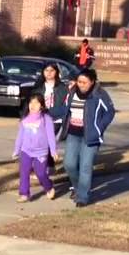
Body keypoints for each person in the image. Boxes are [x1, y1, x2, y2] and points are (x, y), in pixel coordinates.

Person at [49, 68, 116, 208]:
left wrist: (99, 128)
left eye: (85, 82)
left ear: (92, 82)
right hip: (73, 133)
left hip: (90, 136)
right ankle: (77, 187)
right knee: (69, 164)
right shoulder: (72, 92)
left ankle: (83, 197)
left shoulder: (99, 94)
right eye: (79, 81)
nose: (81, 85)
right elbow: (65, 109)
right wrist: (47, 112)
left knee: (85, 167)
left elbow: (110, 112)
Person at [13, 94, 58, 203]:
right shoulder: (25, 119)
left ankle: (49, 187)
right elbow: (20, 136)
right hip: (26, 151)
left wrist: (53, 151)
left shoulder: (46, 119)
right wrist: (16, 150)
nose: (33, 105)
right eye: (31, 103)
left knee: (41, 173)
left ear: (42, 106)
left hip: (41, 152)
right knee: (24, 172)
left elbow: (51, 136)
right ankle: (24, 194)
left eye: (36, 103)